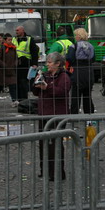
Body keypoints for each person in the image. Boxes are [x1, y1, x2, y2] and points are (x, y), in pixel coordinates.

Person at [32, 52, 71, 181]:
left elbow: (61, 92)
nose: (47, 64)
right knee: (43, 143)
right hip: (43, 114)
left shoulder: (64, 77)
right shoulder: (46, 75)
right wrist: (36, 82)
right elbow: (36, 92)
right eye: (47, 62)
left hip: (57, 115)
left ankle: (57, 172)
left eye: (49, 62)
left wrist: (47, 87)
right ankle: (45, 170)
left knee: (55, 144)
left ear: (57, 64)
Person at [66, 28, 95, 114]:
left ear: (79, 36)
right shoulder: (91, 46)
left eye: (76, 35)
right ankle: (89, 115)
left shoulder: (74, 46)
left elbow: (70, 58)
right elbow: (94, 58)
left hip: (78, 71)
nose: (75, 37)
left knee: (76, 95)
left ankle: (74, 115)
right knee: (87, 96)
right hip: (89, 72)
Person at [13, 25, 39, 106]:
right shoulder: (14, 39)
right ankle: (17, 100)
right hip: (15, 64)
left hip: (25, 64)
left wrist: (34, 64)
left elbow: (34, 52)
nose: (16, 32)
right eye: (16, 30)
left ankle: (24, 100)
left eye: (17, 30)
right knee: (16, 82)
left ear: (22, 31)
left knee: (23, 82)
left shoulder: (29, 39)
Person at [0, 33, 18, 108]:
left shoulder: (13, 48)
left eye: (11, 40)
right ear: (5, 40)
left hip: (11, 70)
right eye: (9, 40)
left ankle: (14, 100)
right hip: (2, 71)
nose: (10, 41)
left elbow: (16, 57)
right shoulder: (1, 49)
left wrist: (16, 64)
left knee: (13, 85)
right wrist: (4, 65)